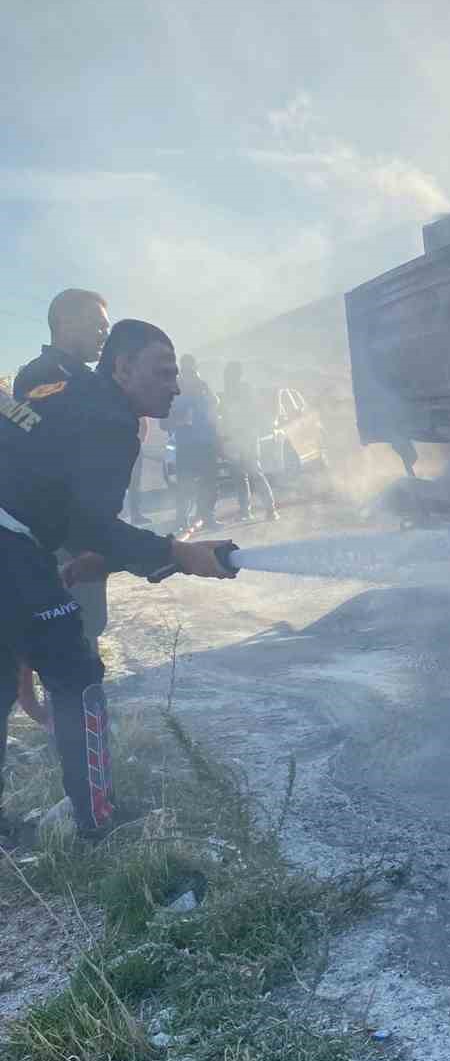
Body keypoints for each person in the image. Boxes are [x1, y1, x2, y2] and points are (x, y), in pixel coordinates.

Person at [0, 319, 237, 845]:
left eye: (176, 374)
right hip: (8, 541)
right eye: (162, 372)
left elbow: (57, 495)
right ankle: (99, 823)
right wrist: (178, 553)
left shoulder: (61, 388)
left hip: (14, 540)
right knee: (75, 671)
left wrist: (93, 558)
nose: (174, 385)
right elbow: (90, 523)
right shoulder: (111, 420)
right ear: (122, 367)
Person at [14, 290, 114, 644]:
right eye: (98, 325)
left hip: (80, 526)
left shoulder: (80, 377)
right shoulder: (44, 375)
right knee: (75, 631)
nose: (106, 333)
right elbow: (51, 444)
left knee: (88, 626)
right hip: (61, 531)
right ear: (67, 322)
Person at [12, 288, 110, 400]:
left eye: (107, 329)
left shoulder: (32, 372)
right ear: (66, 323)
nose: (106, 336)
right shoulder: (49, 376)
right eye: (99, 326)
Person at [165, 354, 220, 533]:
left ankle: (207, 516)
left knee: (209, 482)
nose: (190, 372)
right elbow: (166, 416)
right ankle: (182, 519)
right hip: (186, 443)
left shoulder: (202, 385)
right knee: (185, 483)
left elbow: (215, 403)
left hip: (205, 441)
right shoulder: (175, 387)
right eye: (187, 368)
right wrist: (179, 419)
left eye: (192, 368)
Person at [220, 362, 278, 521]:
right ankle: (246, 511)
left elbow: (253, 415)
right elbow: (225, 419)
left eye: (230, 375)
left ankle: (270, 509)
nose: (228, 379)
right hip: (235, 440)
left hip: (248, 439)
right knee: (240, 477)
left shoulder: (246, 391)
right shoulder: (228, 394)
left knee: (254, 474)